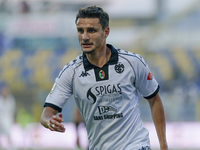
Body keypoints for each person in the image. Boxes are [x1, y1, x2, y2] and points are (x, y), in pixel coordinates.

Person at [40, 5, 168, 150]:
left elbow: (154, 99)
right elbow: (47, 112)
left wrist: (163, 145)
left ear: (106, 32)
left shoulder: (132, 63)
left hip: (136, 145)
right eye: (80, 31)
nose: (85, 37)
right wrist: (49, 120)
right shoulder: (71, 72)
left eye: (91, 31)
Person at [0, 82, 16, 149]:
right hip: (1, 119)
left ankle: (10, 146)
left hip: (8, 120)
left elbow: (12, 111)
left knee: (8, 134)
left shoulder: (11, 99)